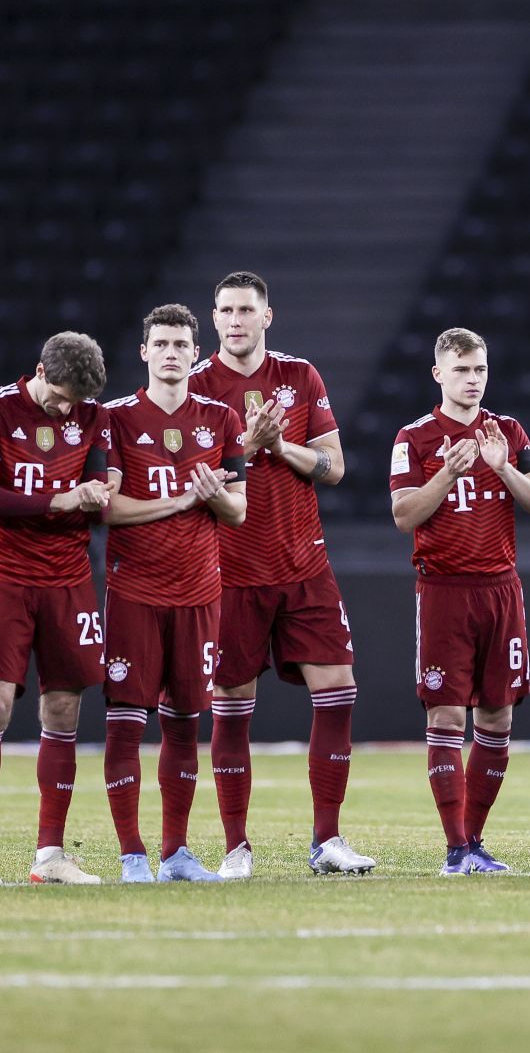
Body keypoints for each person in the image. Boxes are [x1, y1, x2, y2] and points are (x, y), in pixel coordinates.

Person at [188, 272, 371, 877]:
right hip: (228, 569)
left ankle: (327, 840)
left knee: (339, 690)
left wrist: (278, 447)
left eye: (246, 310)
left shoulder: (300, 376)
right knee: (232, 702)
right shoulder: (195, 387)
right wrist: (245, 441)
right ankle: (237, 846)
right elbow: (188, 476)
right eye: (224, 310)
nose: (234, 320)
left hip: (304, 563)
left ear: (269, 317)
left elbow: (335, 466)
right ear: (213, 319)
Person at [390, 328, 530, 874]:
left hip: (500, 589)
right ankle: (455, 846)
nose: (473, 380)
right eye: (462, 370)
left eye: (480, 370)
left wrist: (503, 466)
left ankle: (474, 843)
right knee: (444, 712)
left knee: (498, 714)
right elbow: (404, 515)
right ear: (439, 374)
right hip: (443, 589)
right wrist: (448, 471)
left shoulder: (507, 431)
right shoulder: (413, 437)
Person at [100, 304, 246, 883]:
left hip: (199, 592)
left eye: (181, 344)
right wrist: (183, 501)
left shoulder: (221, 418)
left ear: (195, 351)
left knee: (185, 720)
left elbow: (237, 510)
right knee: (126, 723)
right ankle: (132, 854)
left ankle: (176, 852)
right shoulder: (114, 419)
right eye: (160, 343)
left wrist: (212, 497)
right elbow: (107, 507)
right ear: (143, 352)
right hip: (134, 590)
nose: (170, 353)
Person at [0, 332, 113, 885]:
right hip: (6, 575)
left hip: (70, 578)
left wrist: (99, 492)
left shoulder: (94, 415)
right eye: (59, 398)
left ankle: (49, 854)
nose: (67, 410)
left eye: (76, 401)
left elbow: (99, 487)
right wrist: (61, 499)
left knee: (64, 711)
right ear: (39, 372)